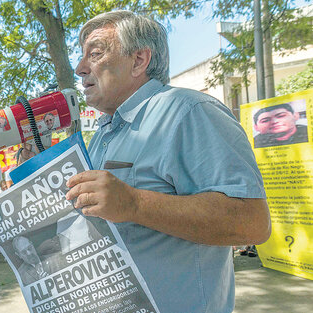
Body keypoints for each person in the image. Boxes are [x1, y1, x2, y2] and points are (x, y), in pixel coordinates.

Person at [66, 11, 271, 313]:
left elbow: (252, 222)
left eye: (94, 54)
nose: (80, 68)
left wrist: (135, 203)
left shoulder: (189, 111)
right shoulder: (104, 133)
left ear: (139, 60)